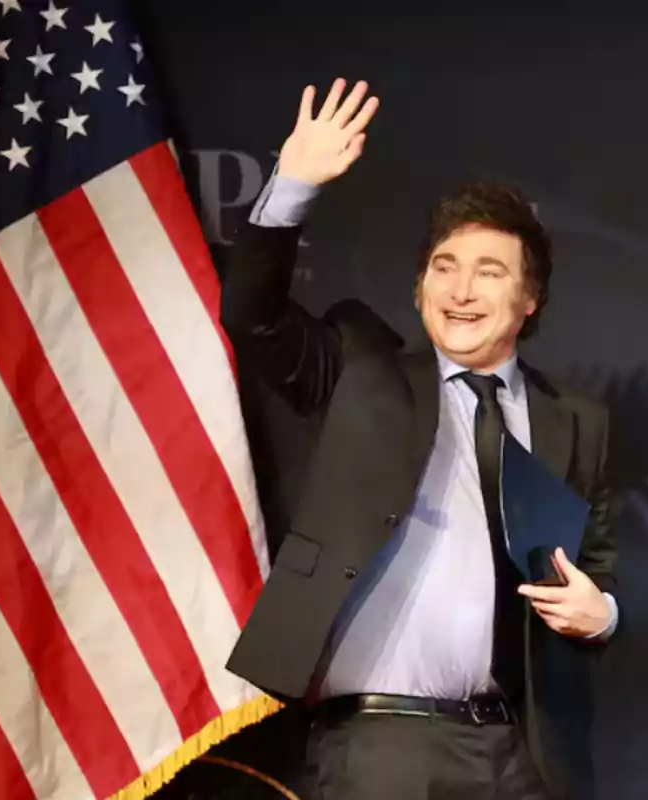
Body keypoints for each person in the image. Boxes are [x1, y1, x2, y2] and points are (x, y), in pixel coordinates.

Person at [218, 77, 619, 800]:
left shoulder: (575, 421)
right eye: (444, 267)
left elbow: (597, 567)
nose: (461, 289)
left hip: (520, 753)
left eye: (488, 272)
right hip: (379, 747)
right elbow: (251, 312)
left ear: (530, 301)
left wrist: (603, 613)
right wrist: (292, 188)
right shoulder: (358, 366)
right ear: (418, 289)